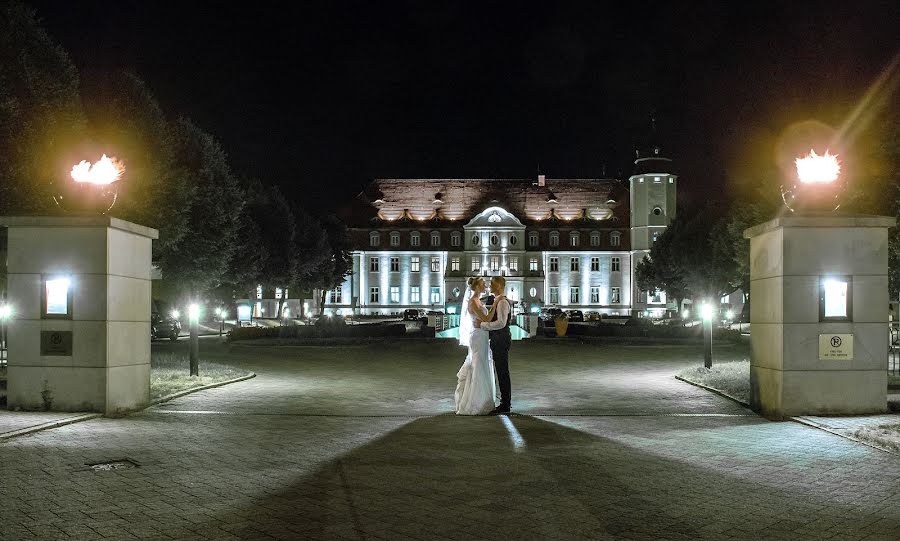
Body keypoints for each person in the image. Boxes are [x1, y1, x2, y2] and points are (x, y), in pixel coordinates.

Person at [454, 276, 500, 415]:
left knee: (482, 365)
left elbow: (484, 320)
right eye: (483, 284)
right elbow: (486, 319)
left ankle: (483, 399)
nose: (485, 285)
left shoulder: (478, 301)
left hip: (482, 336)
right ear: (477, 287)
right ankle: (476, 403)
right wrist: (495, 305)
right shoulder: (473, 302)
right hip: (478, 337)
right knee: (478, 366)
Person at [477, 276, 512, 415]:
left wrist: (483, 325)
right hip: (499, 339)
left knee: (502, 371)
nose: (489, 286)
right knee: (501, 370)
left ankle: (505, 404)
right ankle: (505, 402)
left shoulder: (502, 302)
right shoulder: (499, 300)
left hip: (501, 339)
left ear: (498, 285)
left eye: (491, 284)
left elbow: (501, 323)